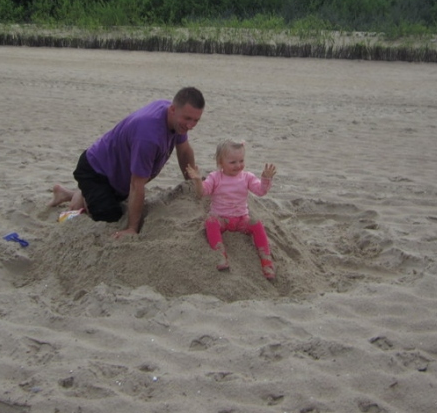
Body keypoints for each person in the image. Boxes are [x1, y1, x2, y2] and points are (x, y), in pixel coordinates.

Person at [49, 87, 205, 239]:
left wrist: (191, 183)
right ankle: (82, 194)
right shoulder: (148, 137)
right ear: (172, 109)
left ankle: (68, 193)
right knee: (110, 217)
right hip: (95, 170)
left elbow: (184, 150)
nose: (191, 125)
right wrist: (132, 228)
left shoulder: (175, 120)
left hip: (118, 176)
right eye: (187, 118)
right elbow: (136, 185)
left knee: (115, 199)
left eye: (196, 120)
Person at [187, 140, 277, 280]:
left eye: (241, 161)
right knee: (210, 222)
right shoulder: (215, 177)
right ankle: (220, 255)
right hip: (221, 218)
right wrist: (198, 181)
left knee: (257, 223)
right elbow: (202, 192)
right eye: (233, 162)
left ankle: (266, 260)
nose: (238, 165)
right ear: (220, 162)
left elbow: (260, 191)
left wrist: (266, 179)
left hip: (241, 219)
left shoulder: (247, 177)